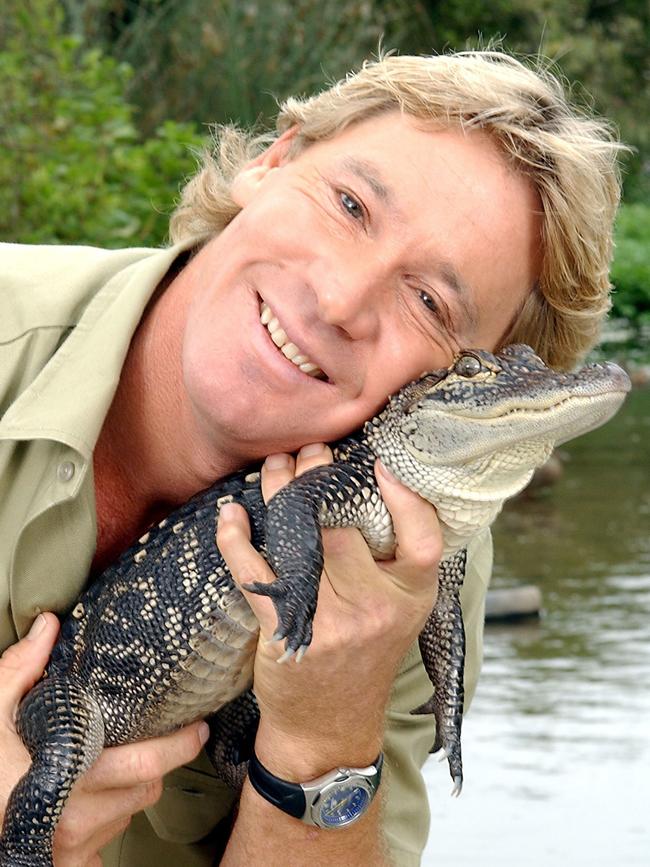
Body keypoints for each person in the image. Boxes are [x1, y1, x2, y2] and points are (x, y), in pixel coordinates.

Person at [0, 50, 622, 866]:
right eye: (350, 204)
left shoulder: (413, 561)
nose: (337, 297)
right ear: (273, 160)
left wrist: (323, 734)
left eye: (431, 301)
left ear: (440, 382)